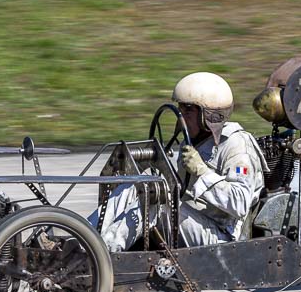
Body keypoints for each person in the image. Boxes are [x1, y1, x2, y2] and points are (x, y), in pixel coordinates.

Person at [88, 72, 268, 251]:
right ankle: (83, 239)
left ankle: (105, 255)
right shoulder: (192, 143)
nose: (181, 116)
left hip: (222, 239)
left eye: (188, 110)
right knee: (134, 187)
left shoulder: (237, 146)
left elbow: (240, 203)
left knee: (157, 203)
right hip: (190, 224)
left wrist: (202, 172)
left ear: (210, 115)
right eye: (181, 109)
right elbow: (179, 191)